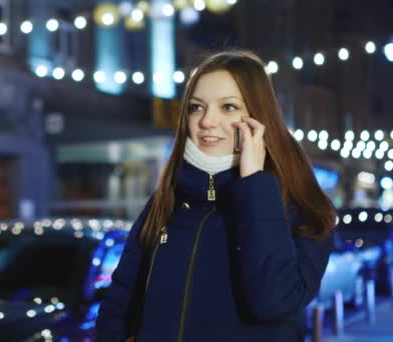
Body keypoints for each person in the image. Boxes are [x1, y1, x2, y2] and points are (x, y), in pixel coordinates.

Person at [96, 50, 335, 341]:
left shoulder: (303, 209)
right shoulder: (167, 200)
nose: (207, 121)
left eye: (229, 107)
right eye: (196, 107)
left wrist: (254, 184)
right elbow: (118, 306)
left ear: (259, 117)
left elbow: (274, 303)